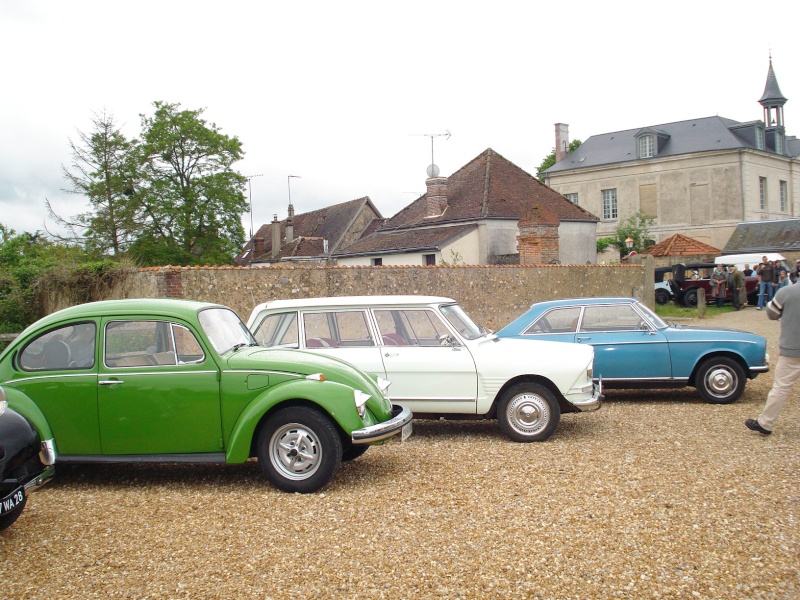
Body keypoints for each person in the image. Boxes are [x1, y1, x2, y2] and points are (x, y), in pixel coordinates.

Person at [746, 281, 800, 435]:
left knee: (781, 387)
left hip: (792, 348)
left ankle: (766, 423)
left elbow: (772, 313)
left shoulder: (787, 292)